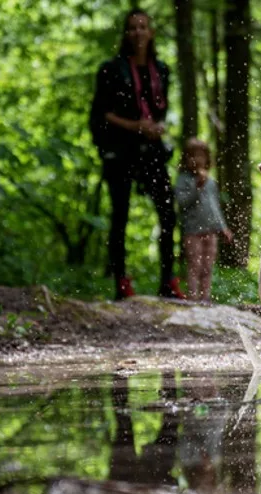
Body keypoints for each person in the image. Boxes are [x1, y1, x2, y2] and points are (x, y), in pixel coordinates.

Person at [90, 8, 184, 300]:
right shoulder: (111, 69)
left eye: (143, 27)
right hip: (120, 152)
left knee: (168, 215)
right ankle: (121, 281)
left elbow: (159, 108)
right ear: (126, 33)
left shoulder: (162, 69)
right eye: (132, 27)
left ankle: (168, 280)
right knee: (120, 216)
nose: (138, 32)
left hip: (152, 152)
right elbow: (101, 114)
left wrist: (155, 128)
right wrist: (136, 126)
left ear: (151, 32)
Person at [174, 138, 232, 302]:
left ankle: (205, 298)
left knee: (207, 266)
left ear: (207, 159)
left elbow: (215, 208)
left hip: (210, 231)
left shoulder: (211, 182)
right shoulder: (183, 180)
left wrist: (223, 227)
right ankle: (193, 297)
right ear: (185, 159)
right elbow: (182, 203)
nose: (197, 160)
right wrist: (196, 188)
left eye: (201, 156)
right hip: (192, 231)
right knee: (195, 265)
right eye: (192, 156)